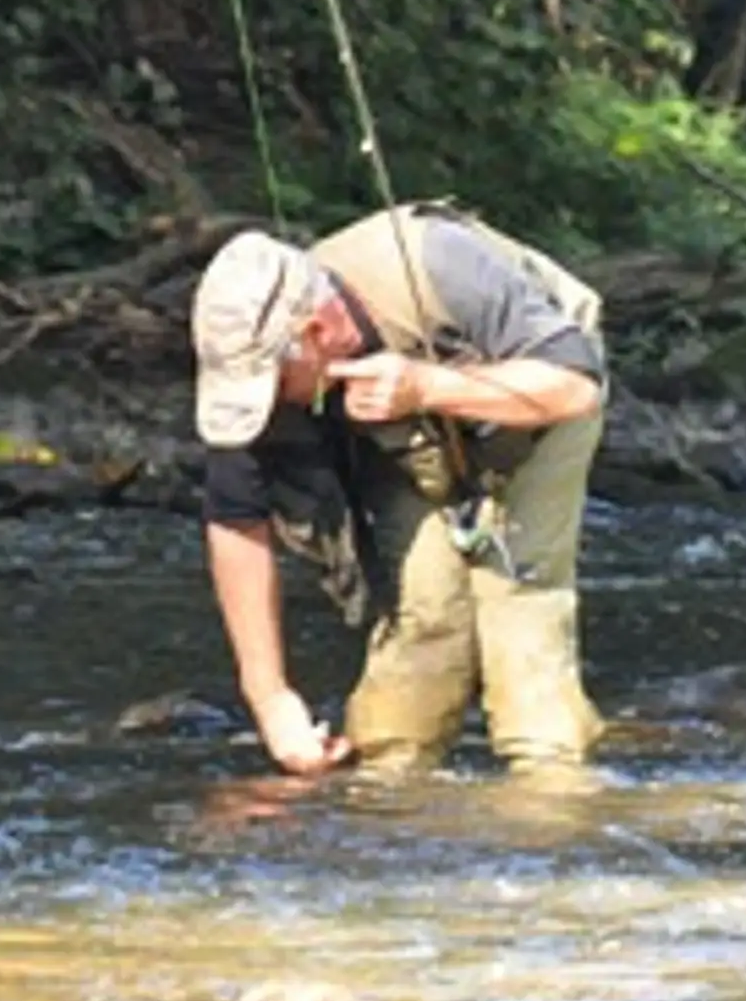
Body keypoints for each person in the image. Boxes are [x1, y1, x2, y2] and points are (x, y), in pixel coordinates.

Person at [187, 204, 612, 783]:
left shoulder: (441, 265)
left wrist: (427, 387)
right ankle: (386, 786)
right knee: (425, 611)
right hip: (403, 428)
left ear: (316, 333)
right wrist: (270, 698)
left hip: (543, 392)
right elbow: (236, 518)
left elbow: (575, 388)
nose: (263, 405)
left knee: (517, 602)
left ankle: (550, 789)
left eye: (271, 386)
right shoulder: (265, 366)